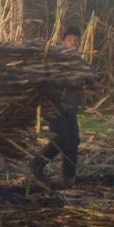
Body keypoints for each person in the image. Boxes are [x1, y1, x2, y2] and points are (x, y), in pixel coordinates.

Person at [30, 25, 84, 188]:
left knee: (73, 141)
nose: (73, 43)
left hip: (70, 107)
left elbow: (89, 76)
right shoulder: (55, 60)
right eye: (69, 40)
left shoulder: (80, 61)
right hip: (54, 106)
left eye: (76, 40)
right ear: (63, 42)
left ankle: (69, 178)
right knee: (61, 138)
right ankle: (37, 163)